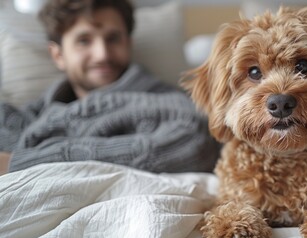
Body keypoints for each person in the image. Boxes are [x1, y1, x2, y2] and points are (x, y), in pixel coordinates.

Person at [0, 0, 220, 175]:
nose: (102, 54)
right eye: (84, 41)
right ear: (58, 55)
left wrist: (22, 161)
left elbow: (194, 143)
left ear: (128, 44)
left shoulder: (168, 103)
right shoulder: (32, 116)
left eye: (113, 39)